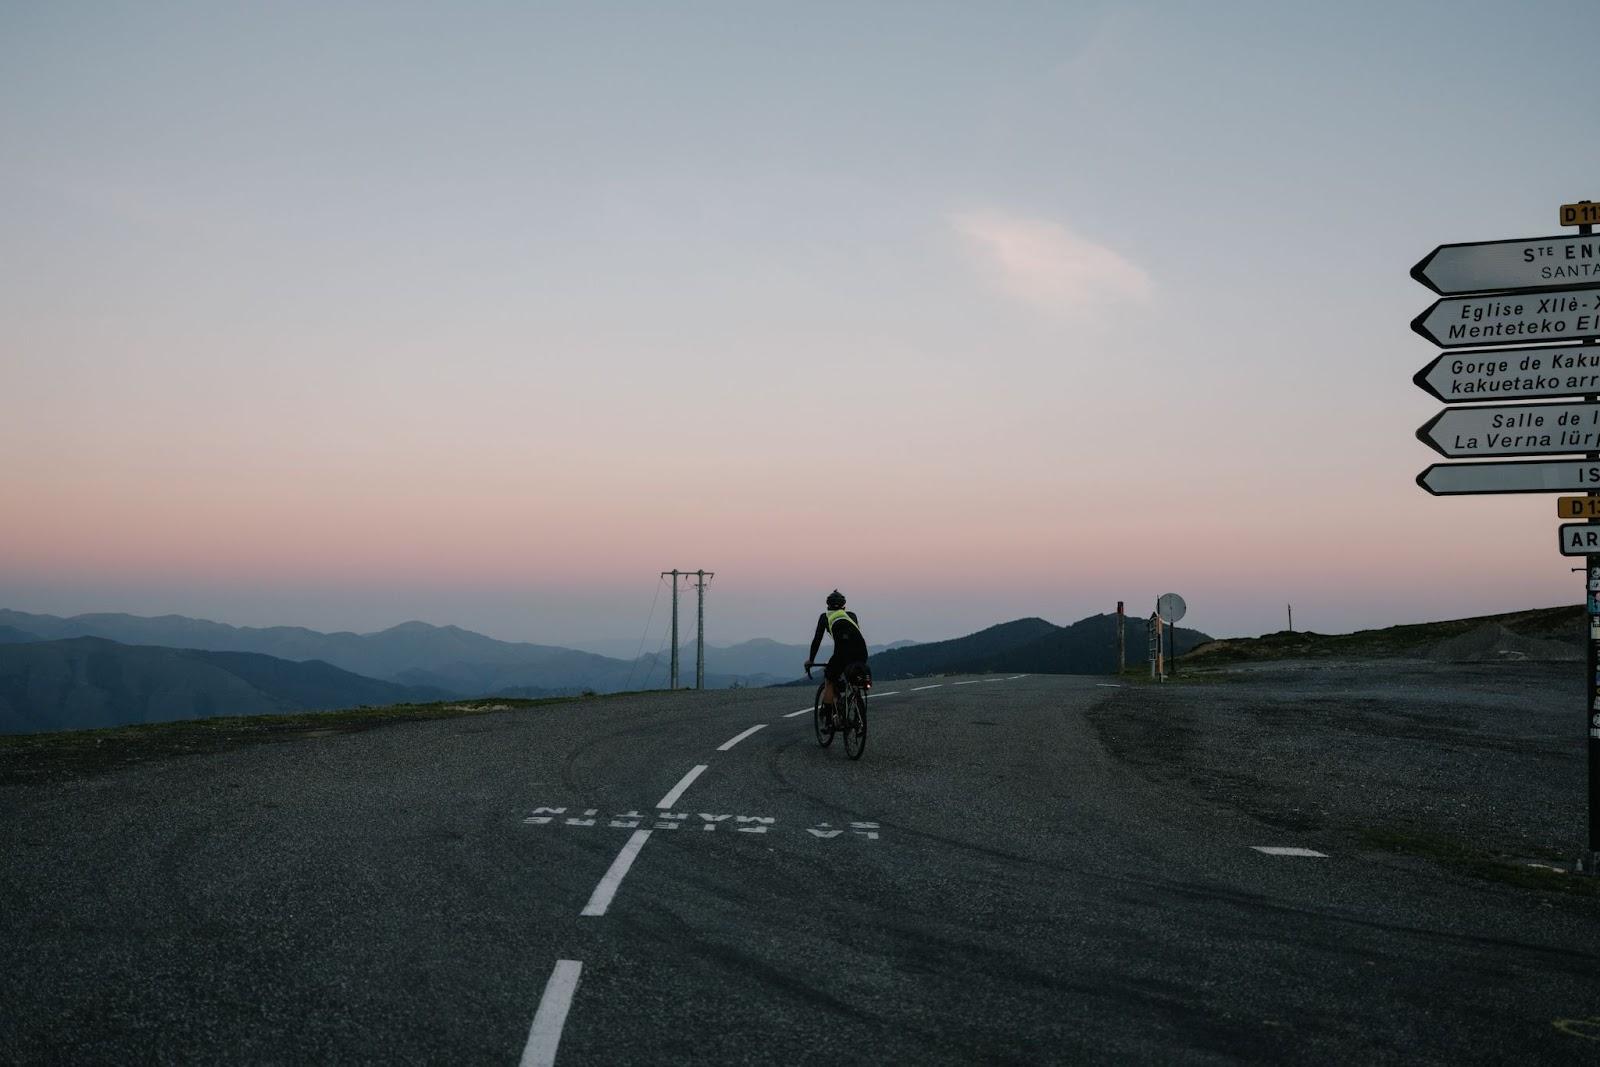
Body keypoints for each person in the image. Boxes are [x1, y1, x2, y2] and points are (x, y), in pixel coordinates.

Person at [805, 590, 870, 722]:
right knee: (853, 676)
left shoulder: (825, 617)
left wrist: (811, 660)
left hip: (842, 651)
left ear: (828, 606)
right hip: (862, 651)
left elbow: (817, 640)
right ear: (844, 606)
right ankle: (855, 705)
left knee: (830, 679)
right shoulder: (851, 615)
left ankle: (828, 717)